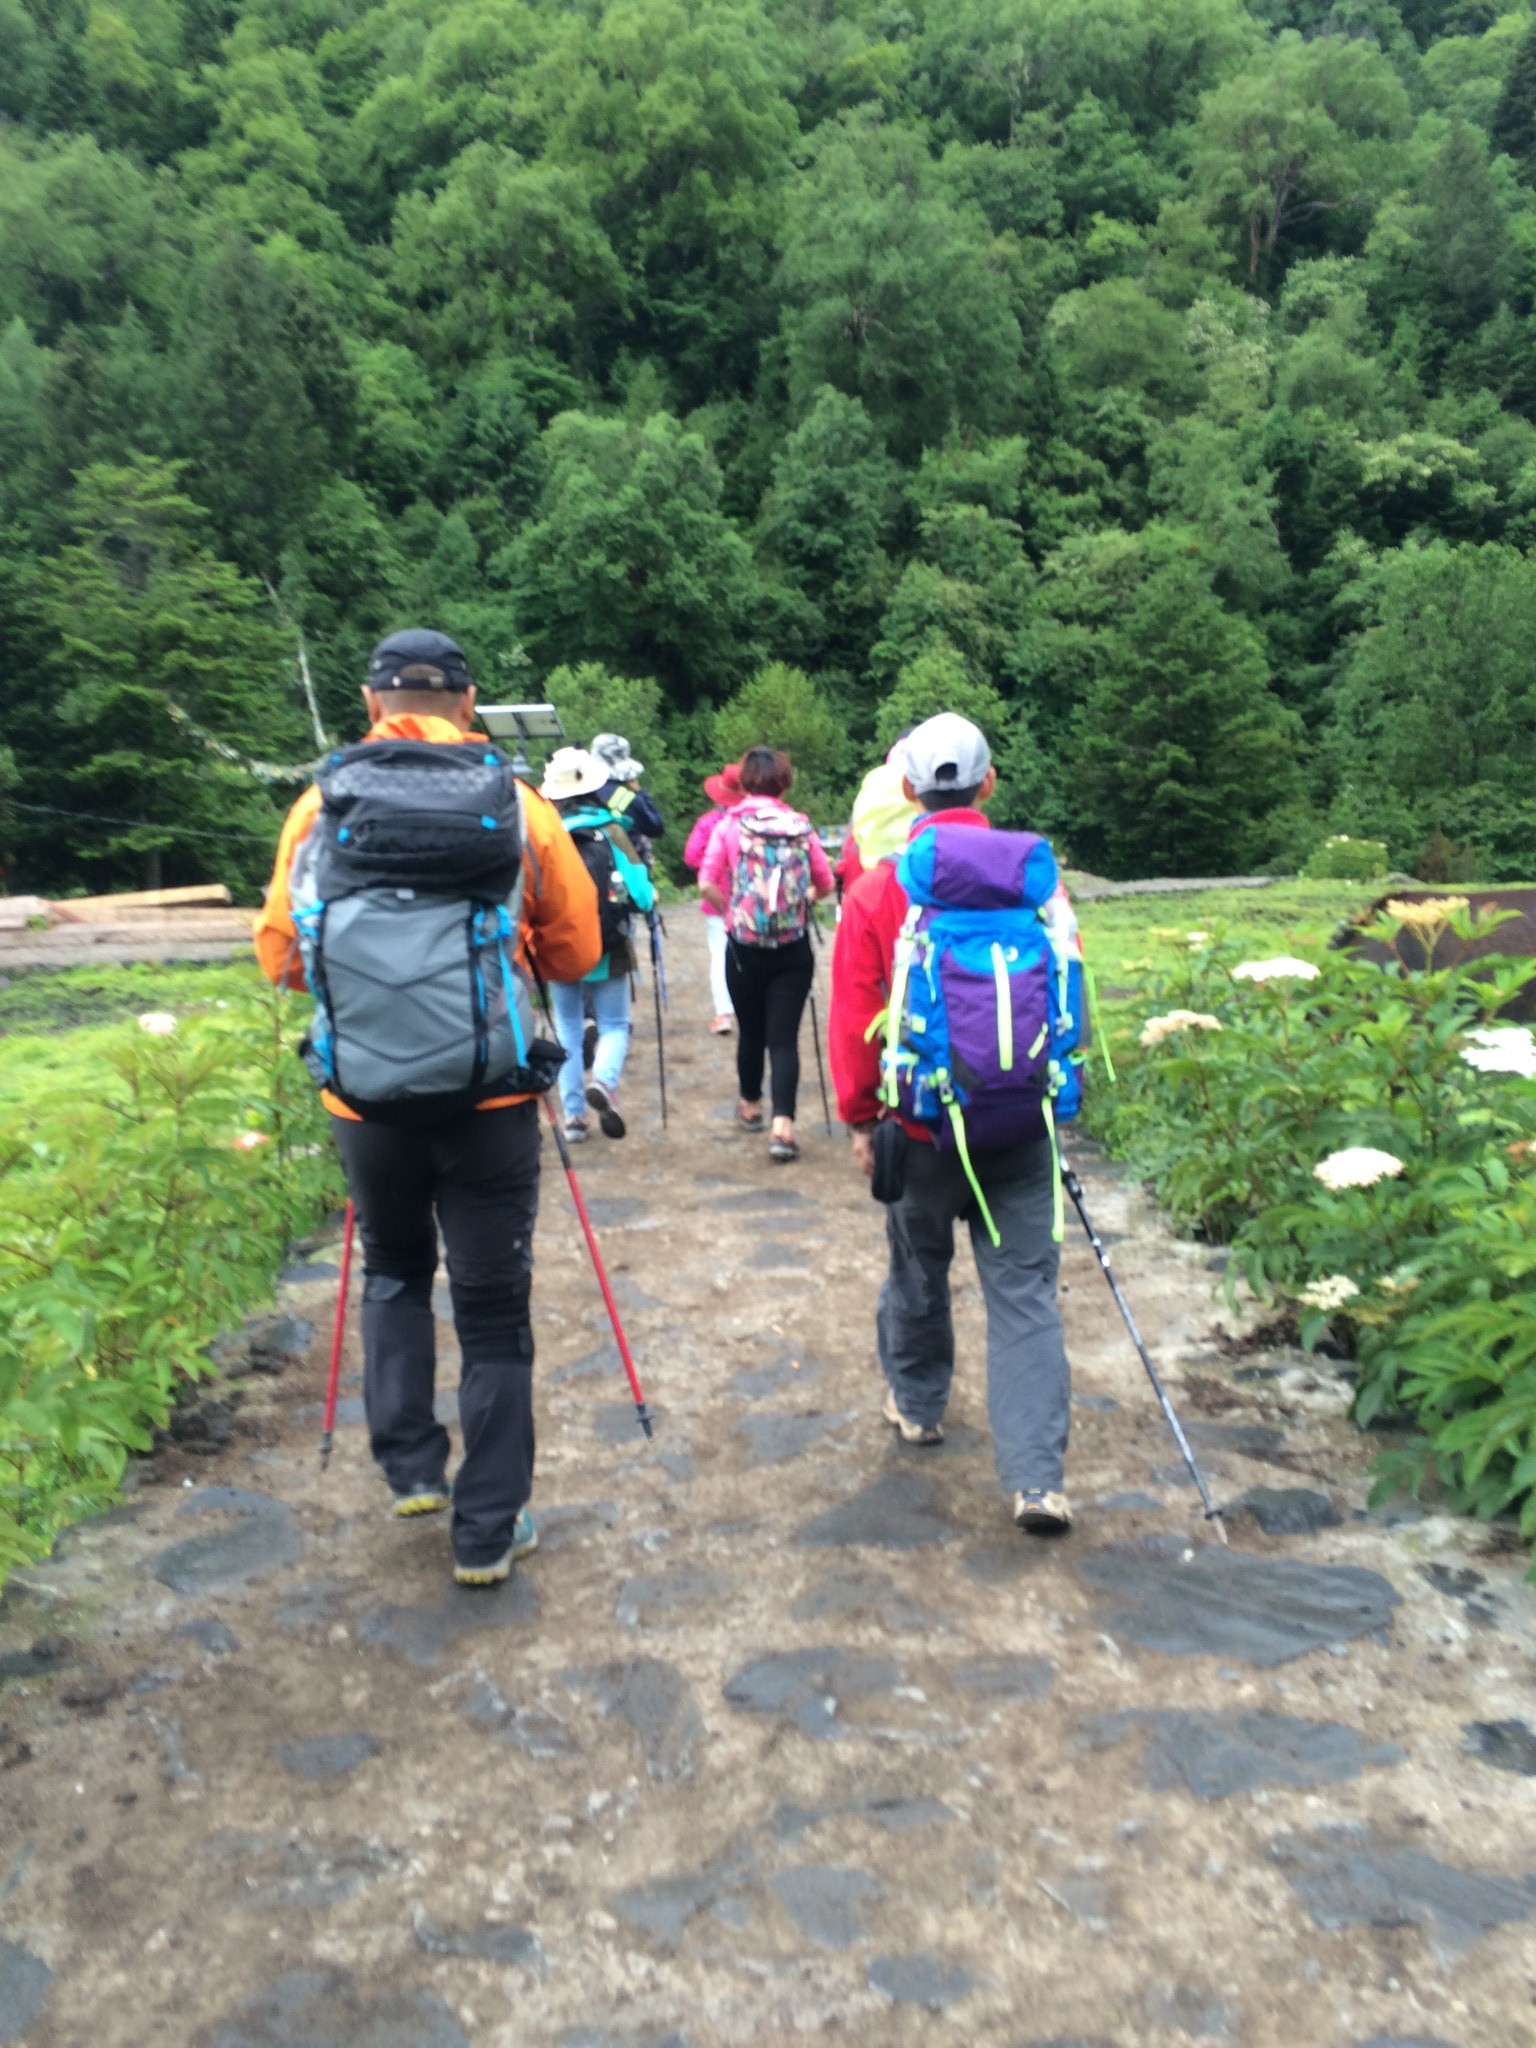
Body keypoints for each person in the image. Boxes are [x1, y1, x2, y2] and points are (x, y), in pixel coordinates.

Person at [254, 628, 601, 1586]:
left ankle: (410, 1464)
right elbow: (576, 955)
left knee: (395, 1273)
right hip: (489, 1100)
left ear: (371, 704)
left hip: (365, 1104)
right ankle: (488, 1530)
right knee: (495, 1320)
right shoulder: (519, 808)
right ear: (470, 701)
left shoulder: (317, 809)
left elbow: (283, 957)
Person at [827, 712, 1079, 1536]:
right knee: (1026, 1299)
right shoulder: (1040, 882)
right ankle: (1037, 1481)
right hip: (1022, 1126)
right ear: (990, 783)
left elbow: (855, 1016)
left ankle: (919, 1404)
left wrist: (864, 1121)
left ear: (905, 790)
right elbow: (1066, 998)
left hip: (923, 1127)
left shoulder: (876, 890)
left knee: (917, 1271)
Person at [699, 745, 835, 1163]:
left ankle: (751, 1105)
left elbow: (706, 883)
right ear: (784, 782)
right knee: (783, 1039)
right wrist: (802, 900)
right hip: (792, 948)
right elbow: (826, 882)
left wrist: (732, 914)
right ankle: (784, 1129)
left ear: (743, 781)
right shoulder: (800, 826)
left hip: (743, 947)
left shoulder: (730, 826)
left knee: (752, 1032)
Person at [539, 745, 656, 1143]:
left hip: (558, 947)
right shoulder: (613, 831)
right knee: (614, 1024)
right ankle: (604, 1082)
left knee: (569, 1028)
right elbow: (641, 895)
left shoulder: (547, 836)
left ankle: (573, 1117)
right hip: (608, 947)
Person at [683, 761, 743, 1033]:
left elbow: (691, 856)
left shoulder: (709, 823)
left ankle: (724, 1014)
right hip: (752, 900)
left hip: (717, 897)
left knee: (720, 956)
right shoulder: (754, 819)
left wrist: (714, 865)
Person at [590, 733, 665, 863]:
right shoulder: (629, 799)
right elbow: (657, 827)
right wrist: (640, 792)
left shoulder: (578, 793)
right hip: (627, 873)